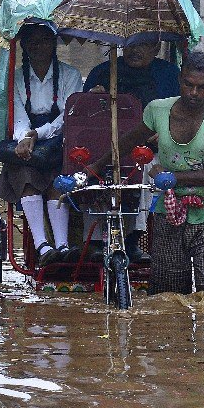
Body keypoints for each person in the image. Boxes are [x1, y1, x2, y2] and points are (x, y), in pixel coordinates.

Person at [99, 52, 204, 297]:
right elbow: (126, 143)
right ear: (179, 79)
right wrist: (95, 168)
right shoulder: (157, 110)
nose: (193, 93)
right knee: (168, 295)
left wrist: (174, 177)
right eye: (188, 84)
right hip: (168, 212)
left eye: (202, 87)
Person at [83, 39, 181, 263]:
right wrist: (93, 99)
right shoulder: (101, 73)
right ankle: (95, 241)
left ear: (156, 47)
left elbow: (182, 115)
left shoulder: (169, 75)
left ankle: (133, 238)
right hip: (105, 147)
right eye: (130, 44)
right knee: (89, 171)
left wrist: (165, 133)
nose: (135, 50)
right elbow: (81, 118)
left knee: (146, 166)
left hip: (150, 150)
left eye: (143, 44)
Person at [0, 23, 83, 266]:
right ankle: (42, 246)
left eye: (44, 40)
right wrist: (26, 137)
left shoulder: (70, 75)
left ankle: (63, 245)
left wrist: (39, 133)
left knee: (60, 177)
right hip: (27, 143)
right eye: (32, 42)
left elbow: (69, 115)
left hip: (60, 139)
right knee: (25, 173)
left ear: (53, 43)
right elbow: (17, 115)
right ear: (24, 45)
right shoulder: (15, 79)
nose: (39, 47)